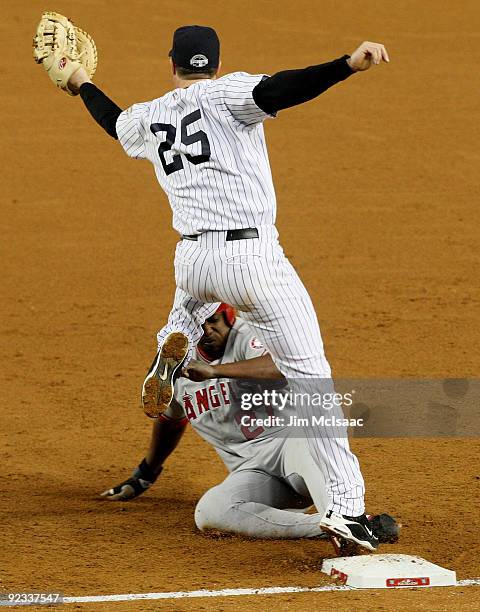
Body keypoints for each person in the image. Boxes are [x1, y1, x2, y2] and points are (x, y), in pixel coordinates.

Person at [66, 26, 390, 550]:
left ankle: (168, 348)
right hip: (251, 257)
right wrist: (345, 65)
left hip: (193, 259)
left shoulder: (150, 114)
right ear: (214, 63)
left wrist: (81, 81)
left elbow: (113, 122)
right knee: (312, 377)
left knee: (189, 311)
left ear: (172, 63)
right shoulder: (226, 93)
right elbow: (282, 88)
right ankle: (349, 512)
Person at [102, 304, 399, 552]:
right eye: (198, 325)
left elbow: (283, 366)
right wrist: (145, 473)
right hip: (253, 472)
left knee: (313, 443)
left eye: (214, 321)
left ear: (229, 317)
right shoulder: (174, 367)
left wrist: (216, 371)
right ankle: (336, 527)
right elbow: (171, 419)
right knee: (210, 511)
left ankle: (347, 526)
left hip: (295, 446)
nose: (207, 330)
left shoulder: (248, 337)